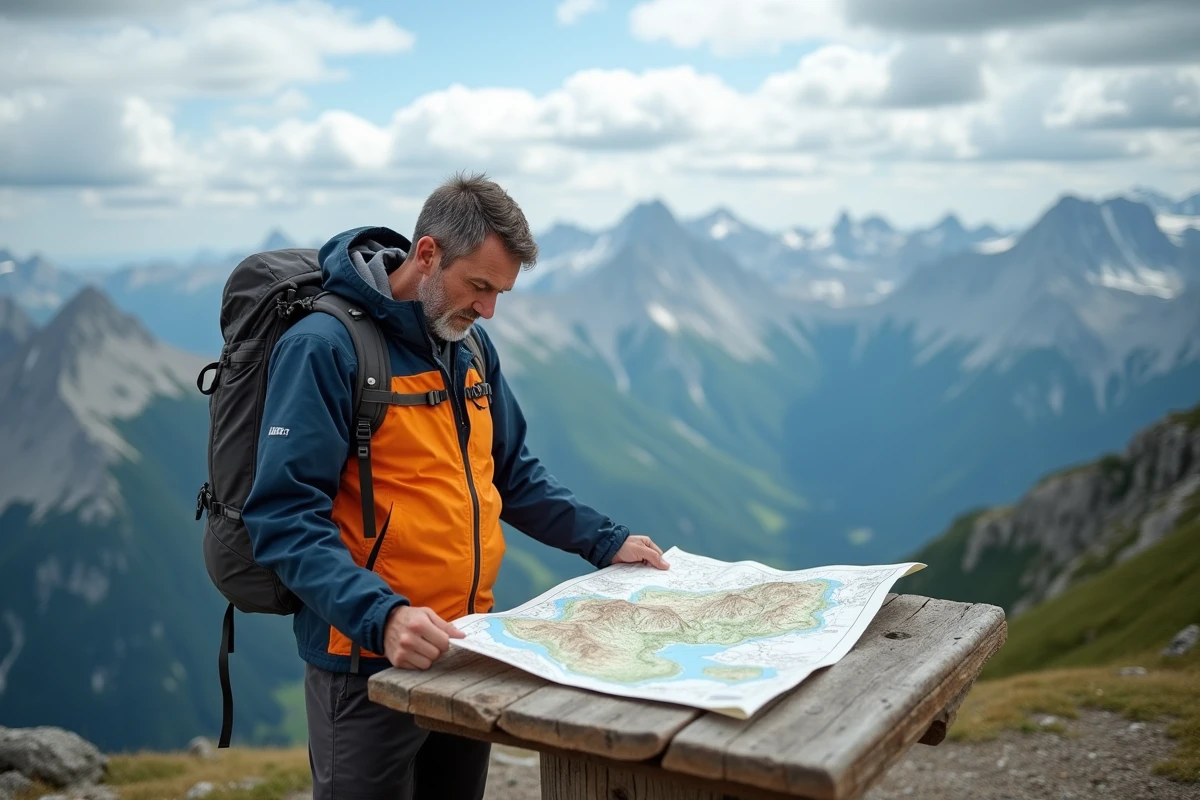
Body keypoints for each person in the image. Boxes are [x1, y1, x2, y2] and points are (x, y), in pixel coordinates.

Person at [241, 171, 669, 800]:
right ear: (427, 254)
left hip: (464, 647)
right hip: (365, 662)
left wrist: (607, 541)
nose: (489, 309)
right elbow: (281, 517)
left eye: (501, 292)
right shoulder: (325, 347)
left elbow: (512, 473)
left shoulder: (466, 347)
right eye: (480, 286)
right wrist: (380, 617)